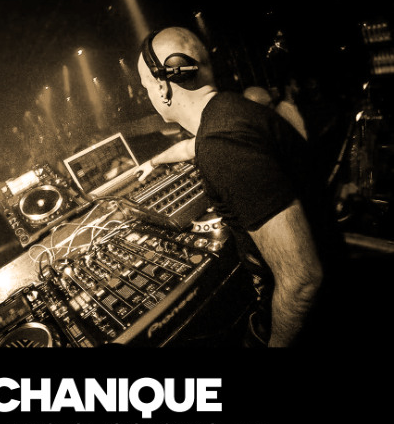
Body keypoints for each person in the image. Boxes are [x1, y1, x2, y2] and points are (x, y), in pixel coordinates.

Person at [137, 27, 345, 347]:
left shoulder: (222, 141)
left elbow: (302, 279)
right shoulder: (229, 114)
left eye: (145, 86)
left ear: (163, 86)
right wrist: (153, 162)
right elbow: (195, 146)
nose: (147, 96)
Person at [275, 76, 309, 140]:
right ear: (287, 87)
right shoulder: (281, 109)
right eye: (296, 85)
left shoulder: (295, 106)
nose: (299, 88)